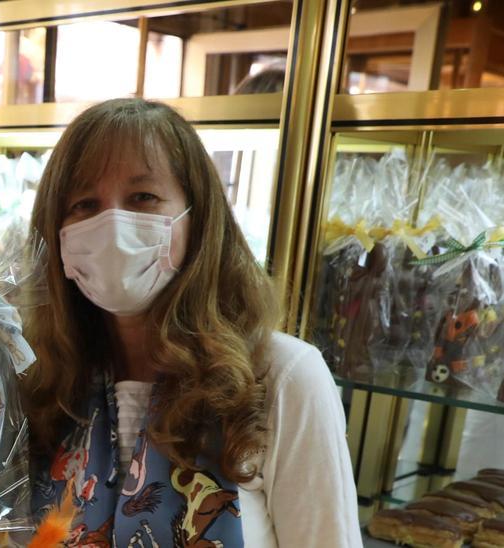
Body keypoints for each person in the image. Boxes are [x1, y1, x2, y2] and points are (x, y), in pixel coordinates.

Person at [22, 98, 361, 547]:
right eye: (85, 204)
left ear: (198, 217)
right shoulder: (44, 383)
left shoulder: (281, 377)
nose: (113, 223)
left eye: (143, 197)